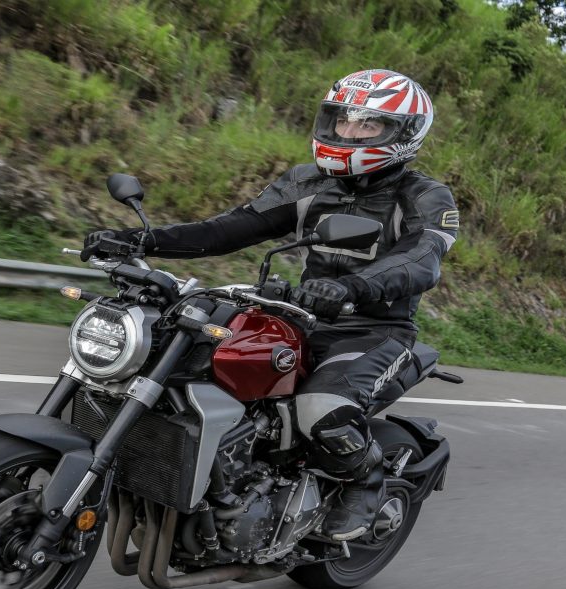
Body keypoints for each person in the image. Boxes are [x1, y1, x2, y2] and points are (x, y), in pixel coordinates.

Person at [82, 69, 459, 541]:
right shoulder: (307, 182)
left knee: (320, 408)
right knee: (191, 362)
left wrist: (352, 287)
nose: (349, 132)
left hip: (371, 331)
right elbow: (229, 229)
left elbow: (420, 259)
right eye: (342, 119)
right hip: (300, 318)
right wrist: (144, 240)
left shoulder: (425, 196)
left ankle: (365, 481)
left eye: (368, 124)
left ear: (404, 134)